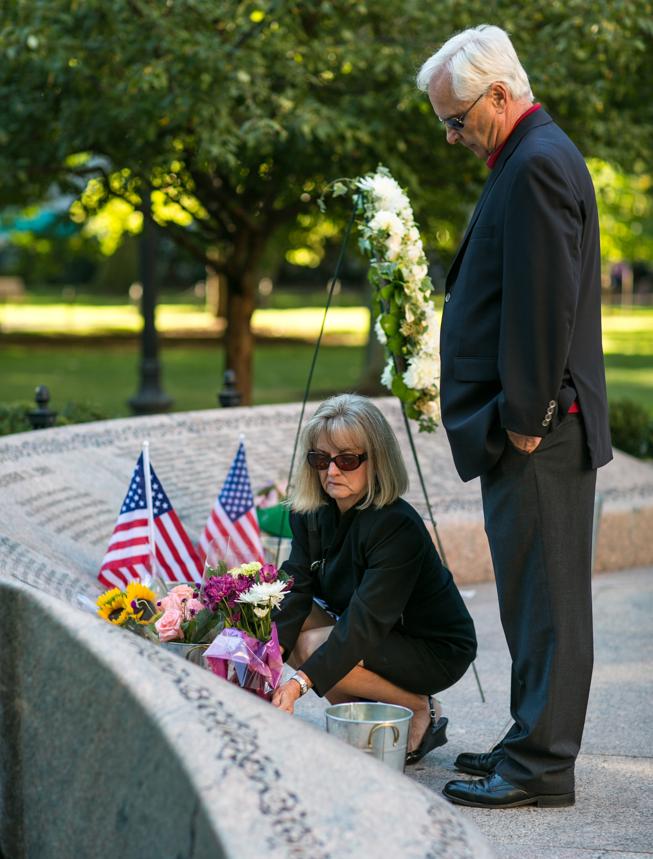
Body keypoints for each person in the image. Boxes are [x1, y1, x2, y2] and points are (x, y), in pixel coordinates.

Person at [416, 25, 612, 807]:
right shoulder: (529, 156)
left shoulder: (533, 165)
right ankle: (528, 737)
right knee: (532, 596)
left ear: (499, 93)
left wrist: (524, 415)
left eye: (458, 118)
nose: (453, 135)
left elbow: (542, 305)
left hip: (538, 425)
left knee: (548, 601)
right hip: (532, 423)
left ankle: (540, 764)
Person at [271, 393, 477, 764]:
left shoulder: (396, 526)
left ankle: (416, 707)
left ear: (376, 460)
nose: (331, 472)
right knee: (299, 632)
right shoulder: (310, 513)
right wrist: (260, 666)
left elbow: (365, 623)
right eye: (320, 459)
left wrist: (298, 683)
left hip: (433, 646)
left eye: (347, 460)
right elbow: (293, 593)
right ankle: (372, 721)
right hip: (371, 629)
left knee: (316, 648)